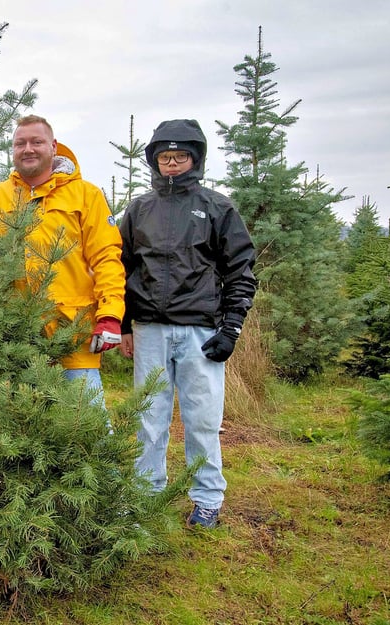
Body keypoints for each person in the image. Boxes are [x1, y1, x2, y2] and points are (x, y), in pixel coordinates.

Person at [118, 118, 257, 529]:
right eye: (165, 156)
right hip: (149, 330)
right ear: (154, 161)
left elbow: (241, 269)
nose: (172, 164)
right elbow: (121, 266)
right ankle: (146, 493)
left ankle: (208, 498)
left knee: (202, 418)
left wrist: (231, 328)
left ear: (194, 159)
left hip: (201, 330)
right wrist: (125, 324)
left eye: (180, 156)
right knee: (150, 416)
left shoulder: (218, 207)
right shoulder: (139, 209)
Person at [0, 114, 125, 402]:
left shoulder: (85, 195)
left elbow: (106, 258)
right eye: (20, 143)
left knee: (86, 423)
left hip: (72, 332)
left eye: (36, 142)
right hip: (13, 335)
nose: (28, 149)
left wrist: (110, 315)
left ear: (53, 146)